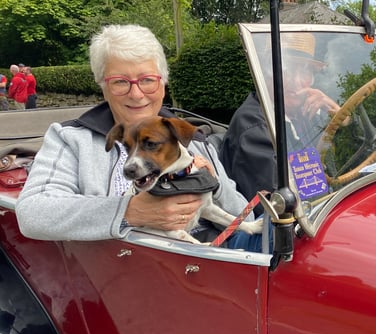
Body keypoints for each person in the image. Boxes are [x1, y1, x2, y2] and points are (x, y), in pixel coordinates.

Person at [16, 24, 263, 252]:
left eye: (147, 80)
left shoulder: (189, 138)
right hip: (129, 274)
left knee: (283, 227)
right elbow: (32, 213)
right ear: (102, 86)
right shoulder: (71, 140)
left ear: (163, 84)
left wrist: (214, 184)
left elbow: (246, 217)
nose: (136, 94)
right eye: (121, 82)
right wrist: (129, 212)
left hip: (213, 260)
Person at [219, 32, 342, 217]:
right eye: (288, 70)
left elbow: (342, 165)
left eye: (306, 71)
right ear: (267, 73)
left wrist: (343, 119)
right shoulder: (254, 126)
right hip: (273, 234)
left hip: (319, 213)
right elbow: (278, 206)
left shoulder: (304, 115)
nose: (297, 81)